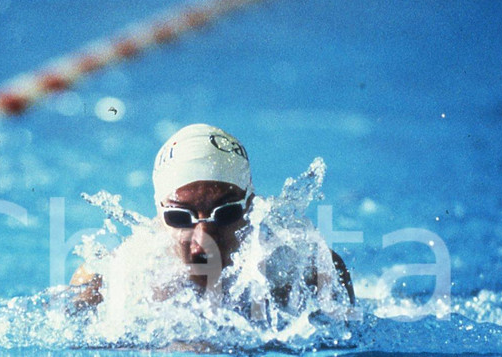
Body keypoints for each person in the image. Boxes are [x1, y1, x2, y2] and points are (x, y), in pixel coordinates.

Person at [70, 123, 354, 310]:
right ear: (159, 214)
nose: (203, 241)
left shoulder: (309, 272)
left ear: (251, 207)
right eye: (180, 218)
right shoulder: (107, 281)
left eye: (226, 213)